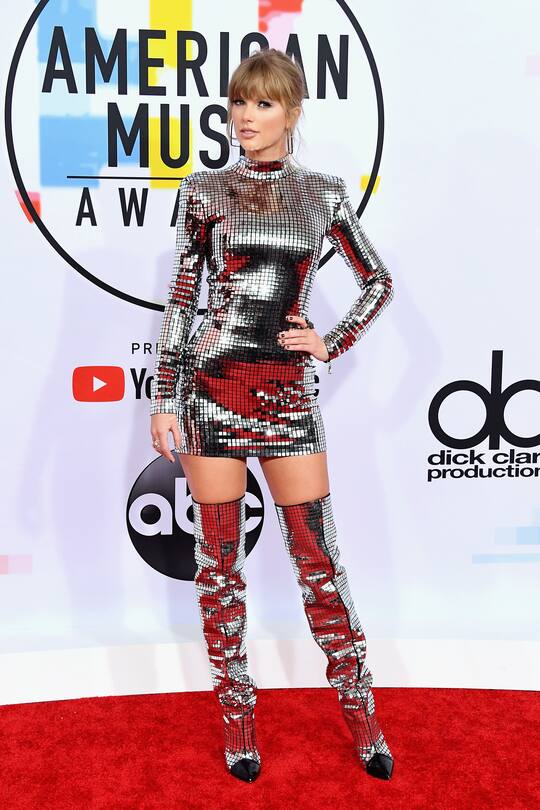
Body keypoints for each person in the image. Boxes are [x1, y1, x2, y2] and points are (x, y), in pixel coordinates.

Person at [150, 48, 395, 784]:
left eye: (262, 104)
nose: (246, 117)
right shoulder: (202, 190)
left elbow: (378, 282)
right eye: (238, 103)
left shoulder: (323, 193)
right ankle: (239, 728)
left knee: (319, 565)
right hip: (210, 390)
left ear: (292, 112)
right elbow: (182, 297)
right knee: (219, 572)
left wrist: (331, 340)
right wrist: (165, 395)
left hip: (287, 395)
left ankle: (365, 723)